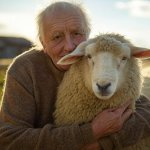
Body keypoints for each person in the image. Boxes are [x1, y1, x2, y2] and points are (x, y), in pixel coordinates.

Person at [0, 1, 149, 150]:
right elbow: (9, 139)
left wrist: (103, 144)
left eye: (77, 33)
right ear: (43, 43)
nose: (70, 46)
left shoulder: (93, 57)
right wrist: (91, 131)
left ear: (88, 34)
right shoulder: (25, 69)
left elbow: (143, 108)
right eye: (57, 37)